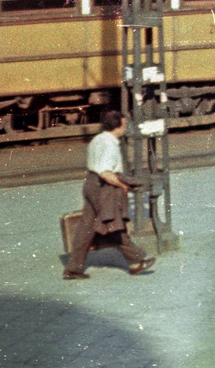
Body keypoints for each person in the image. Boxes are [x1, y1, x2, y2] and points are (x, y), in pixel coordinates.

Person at [64, 110, 154, 279]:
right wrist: (122, 185)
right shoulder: (111, 145)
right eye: (125, 125)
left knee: (86, 228)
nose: (126, 128)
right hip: (104, 187)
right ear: (118, 127)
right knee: (113, 225)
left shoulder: (97, 139)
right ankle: (137, 260)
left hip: (90, 184)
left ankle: (73, 268)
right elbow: (105, 173)